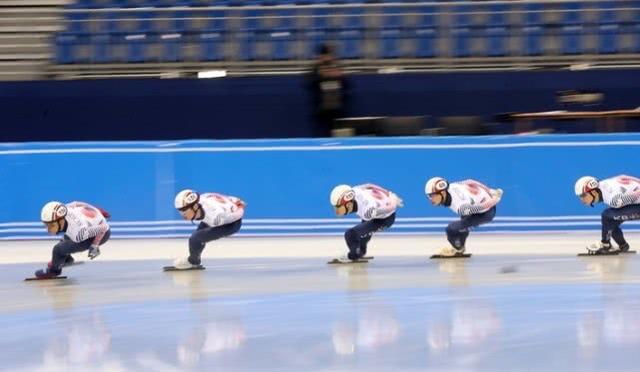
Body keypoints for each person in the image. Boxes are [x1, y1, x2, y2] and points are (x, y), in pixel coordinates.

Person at [425, 177, 502, 256]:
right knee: (462, 224)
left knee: (451, 229)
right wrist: (489, 190)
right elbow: (470, 181)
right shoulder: (452, 185)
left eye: (432, 195)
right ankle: (459, 247)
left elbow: (482, 207)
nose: (430, 199)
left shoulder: (460, 207)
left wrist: (495, 199)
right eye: (429, 196)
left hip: (485, 213)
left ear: (443, 193)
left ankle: (458, 248)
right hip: (480, 202)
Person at [35, 201, 111, 278]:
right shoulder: (66, 208)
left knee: (57, 249)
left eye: (51, 225)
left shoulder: (78, 233)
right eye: (46, 225)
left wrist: (95, 245)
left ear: (61, 221)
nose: (48, 230)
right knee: (64, 240)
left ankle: (54, 271)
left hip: (99, 235)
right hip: (90, 225)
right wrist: (97, 211)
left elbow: (104, 228)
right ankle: (66, 259)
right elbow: (77, 203)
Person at [172, 189, 245, 269]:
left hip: (230, 224)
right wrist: (235, 199)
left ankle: (193, 262)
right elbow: (219, 197)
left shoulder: (216, 217)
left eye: (184, 210)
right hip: (216, 216)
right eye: (180, 210)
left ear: (195, 206)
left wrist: (240, 207)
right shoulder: (203, 198)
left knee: (196, 238)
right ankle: (194, 261)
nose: (182, 214)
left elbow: (238, 216)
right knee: (194, 240)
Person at [330, 183, 403, 262]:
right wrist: (388, 193)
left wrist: (393, 200)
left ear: (348, 205)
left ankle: (353, 256)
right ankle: (360, 252)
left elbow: (390, 208)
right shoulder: (355, 190)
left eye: (337, 208)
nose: (336, 212)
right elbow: (369, 185)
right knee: (361, 233)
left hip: (385, 220)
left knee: (351, 234)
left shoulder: (368, 210)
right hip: (374, 212)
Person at [574, 175, 640, 254]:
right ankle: (622, 245)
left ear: (594, 192)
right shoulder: (603, 184)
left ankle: (605, 244)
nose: (581, 199)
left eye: (583, 195)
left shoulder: (614, 200)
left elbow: (623, 177)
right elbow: (623, 176)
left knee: (606, 216)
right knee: (609, 220)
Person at [309, 43, 349, 137]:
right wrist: (321, 76)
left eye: (331, 55)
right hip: (321, 109)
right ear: (321, 56)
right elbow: (310, 83)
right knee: (320, 136)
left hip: (337, 108)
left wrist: (340, 76)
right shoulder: (316, 68)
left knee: (338, 135)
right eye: (326, 55)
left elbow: (347, 85)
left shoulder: (337, 67)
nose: (329, 58)